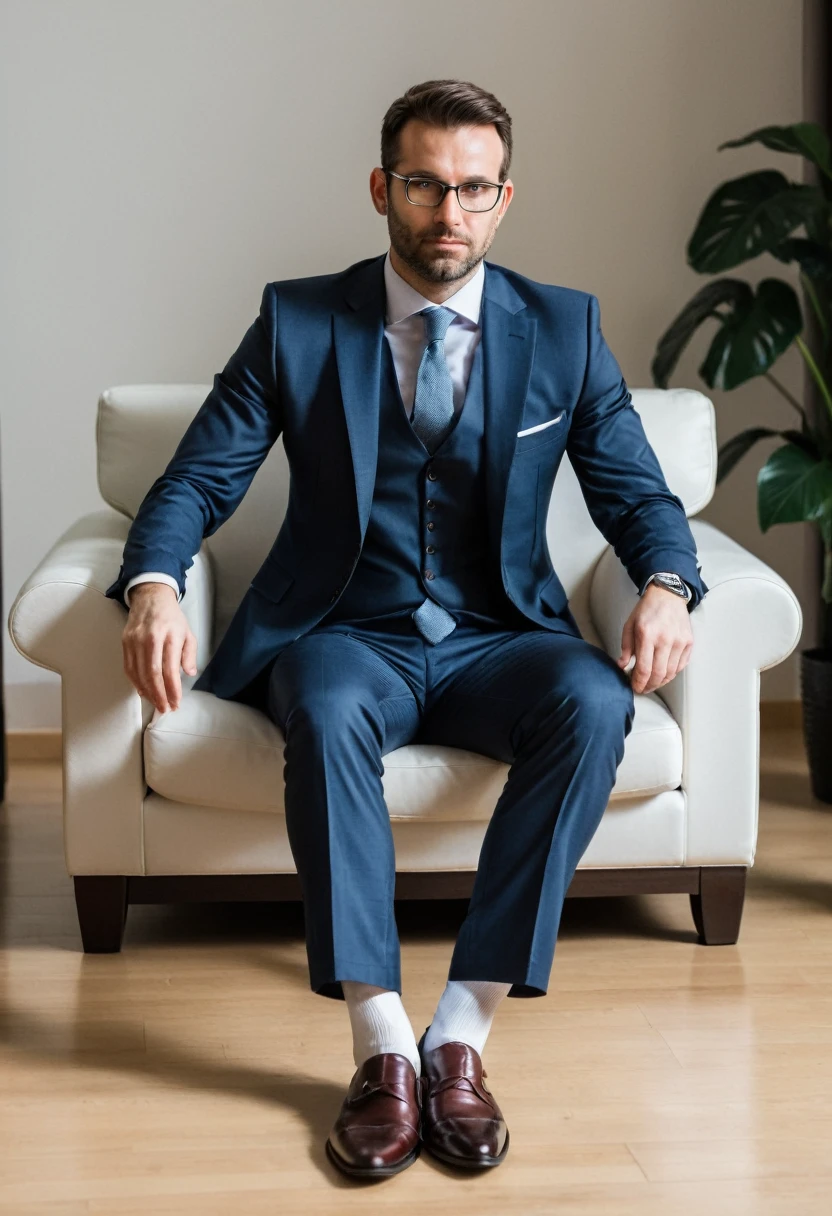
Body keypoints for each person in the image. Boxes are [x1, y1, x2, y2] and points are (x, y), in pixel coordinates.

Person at [106, 78, 708, 1180]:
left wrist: (667, 582)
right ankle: (381, 1044)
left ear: (503, 198)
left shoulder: (563, 328)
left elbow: (637, 493)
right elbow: (197, 478)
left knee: (590, 696)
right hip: (348, 629)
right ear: (383, 188)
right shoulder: (297, 319)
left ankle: (460, 1034)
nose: (449, 214)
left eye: (473, 190)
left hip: (499, 636)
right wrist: (152, 581)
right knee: (327, 710)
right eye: (425, 184)